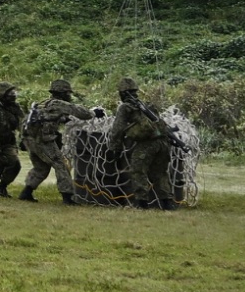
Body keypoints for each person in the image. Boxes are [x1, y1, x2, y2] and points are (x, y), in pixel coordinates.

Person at [18, 79, 102, 204]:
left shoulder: (43, 103)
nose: (69, 96)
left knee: (41, 167)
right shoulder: (58, 103)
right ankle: (67, 197)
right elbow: (80, 112)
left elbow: (47, 118)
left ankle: (26, 192)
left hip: (29, 139)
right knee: (61, 164)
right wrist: (94, 112)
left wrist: (65, 119)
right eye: (68, 93)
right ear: (62, 93)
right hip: (43, 140)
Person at [107, 77, 176, 210]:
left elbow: (117, 129)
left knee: (138, 171)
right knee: (160, 173)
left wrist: (113, 148)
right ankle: (167, 203)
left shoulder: (126, 107)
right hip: (163, 142)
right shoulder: (147, 105)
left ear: (122, 93)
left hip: (147, 144)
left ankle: (142, 203)